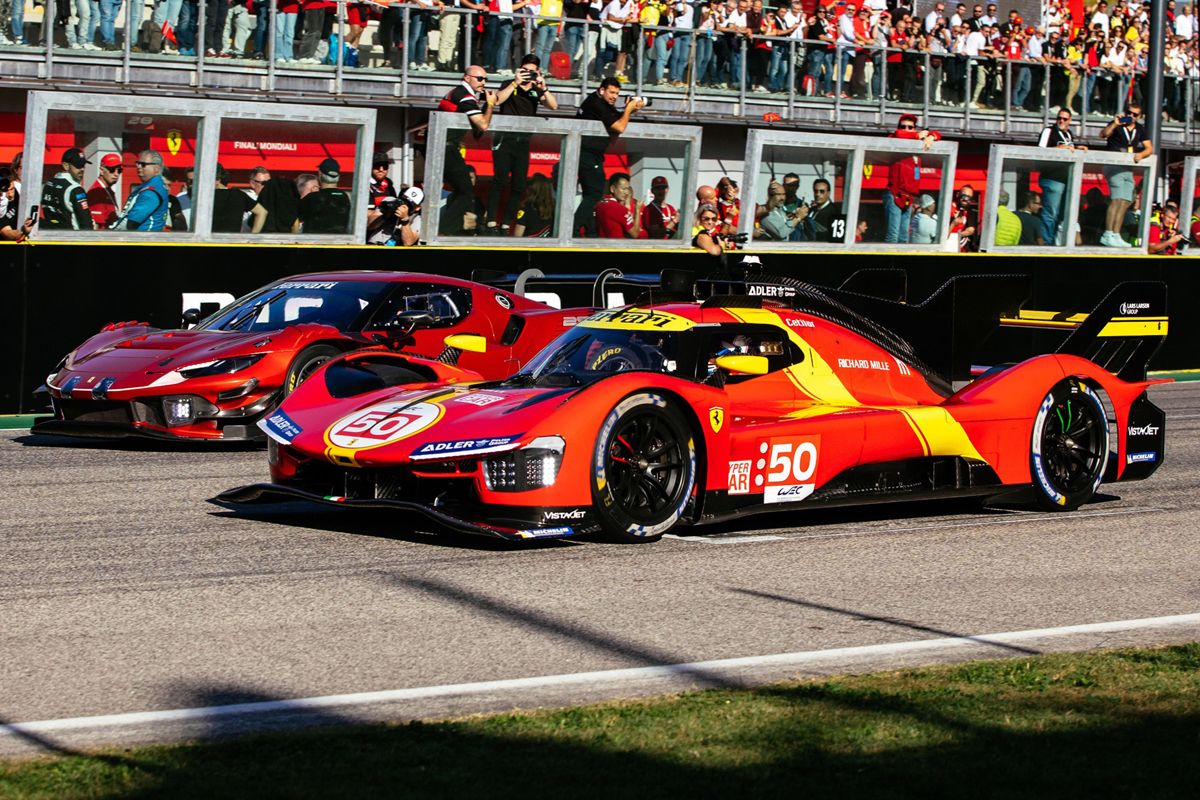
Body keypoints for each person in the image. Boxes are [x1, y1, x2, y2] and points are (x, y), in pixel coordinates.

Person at [486, 53, 559, 235]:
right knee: (500, 180)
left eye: (532, 72)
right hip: (504, 139)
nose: (528, 75)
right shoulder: (510, 84)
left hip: (523, 141)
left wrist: (543, 86)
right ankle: (491, 221)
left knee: (519, 185)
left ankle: (505, 224)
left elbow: (553, 106)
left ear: (538, 72)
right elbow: (497, 100)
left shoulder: (536, 88)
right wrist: (515, 83)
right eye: (525, 71)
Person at [575, 77, 645, 235]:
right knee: (595, 193)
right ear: (602, 90)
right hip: (587, 154)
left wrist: (630, 109)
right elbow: (619, 127)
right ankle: (573, 228)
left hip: (592, 154)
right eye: (611, 92)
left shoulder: (604, 104)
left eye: (617, 94)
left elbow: (616, 124)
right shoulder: (596, 104)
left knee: (590, 194)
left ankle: (588, 231)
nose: (614, 96)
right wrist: (628, 110)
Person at [437, 66, 497, 235]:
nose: (484, 83)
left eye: (486, 79)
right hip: (445, 146)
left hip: (443, 145)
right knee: (466, 191)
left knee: (461, 189)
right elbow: (483, 125)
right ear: (467, 78)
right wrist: (491, 104)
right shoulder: (465, 97)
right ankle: (445, 230)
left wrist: (486, 105)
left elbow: (477, 132)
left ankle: (450, 228)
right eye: (480, 79)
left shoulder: (458, 94)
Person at [1099, 104, 1152, 247]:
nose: (1131, 116)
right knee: (1116, 199)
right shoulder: (1118, 123)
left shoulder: (1140, 129)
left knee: (1126, 201)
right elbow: (1103, 135)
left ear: (1139, 117)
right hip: (1114, 165)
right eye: (1129, 113)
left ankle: (1116, 234)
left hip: (1128, 167)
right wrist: (1114, 124)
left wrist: (1140, 154)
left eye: (1135, 115)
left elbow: (1149, 148)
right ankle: (1108, 232)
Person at [884, 114, 940, 243]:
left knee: (903, 236)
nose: (906, 129)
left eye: (910, 127)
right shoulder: (894, 139)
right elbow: (898, 134)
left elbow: (938, 134)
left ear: (915, 128)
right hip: (895, 193)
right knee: (893, 235)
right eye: (903, 126)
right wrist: (916, 136)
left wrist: (931, 136)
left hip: (909, 196)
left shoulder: (918, 143)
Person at [1037, 106, 1085, 246]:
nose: (1061, 121)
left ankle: (1059, 242)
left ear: (1070, 120)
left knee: (1063, 214)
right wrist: (1059, 149)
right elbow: (1040, 150)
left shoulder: (1069, 133)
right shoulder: (1049, 131)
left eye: (1064, 119)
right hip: (1052, 177)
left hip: (1066, 179)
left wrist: (1077, 149)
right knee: (1050, 213)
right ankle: (1047, 243)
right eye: (1059, 118)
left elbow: (1069, 151)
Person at [114, 150, 170, 232]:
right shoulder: (148, 186)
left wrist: (111, 233)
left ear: (156, 168)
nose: (139, 167)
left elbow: (130, 223)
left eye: (143, 164)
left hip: (143, 240)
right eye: (138, 163)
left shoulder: (151, 192)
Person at [40, 148, 94, 230]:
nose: (82, 169)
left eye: (83, 165)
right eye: (78, 165)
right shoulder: (75, 189)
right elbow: (86, 222)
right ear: (66, 166)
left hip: (47, 236)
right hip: (71, 238)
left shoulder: (48, 184)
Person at [296, 158, 351, 234]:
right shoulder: (345, 197)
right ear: (338, 176)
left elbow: (294, 218)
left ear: (320, 174)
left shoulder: (312, 198)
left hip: (315, 243)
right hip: (339, 242)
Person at [211, 163, 258, 233]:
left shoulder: (205, 197)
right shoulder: (238, 194)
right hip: (232, 240)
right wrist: (252, 237)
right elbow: (262, 212)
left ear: (217, 180)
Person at [594, 172, 642, 238]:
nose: (627, 192)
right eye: (623, 189)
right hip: (617, 247)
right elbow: (635, 234)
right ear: (612, 189)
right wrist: (637, 210)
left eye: (627, 189)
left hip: (600, 246)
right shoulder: (620, 209)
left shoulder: (599, 204)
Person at [87, 153, 122, 230]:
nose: (116, 174)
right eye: (112, 170)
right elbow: (97, 226)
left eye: (119, 170)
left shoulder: (107, 190)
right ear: (102, 171)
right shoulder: (96, 192)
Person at [0, 171, 35, 242]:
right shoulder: (1, 206)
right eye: (6, 191)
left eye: (12, 189)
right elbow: (6, 233)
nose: (10, 194)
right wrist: (23, 231)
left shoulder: (19, 191)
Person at [640, 175, 678, 239]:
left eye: (663, 188)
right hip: (657, 246)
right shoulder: (649, 209)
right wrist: (674, 221)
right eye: (657, 188)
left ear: (667, 190)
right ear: (652, 191)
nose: (661, 191)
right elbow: (655, 234)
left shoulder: (671, 208)